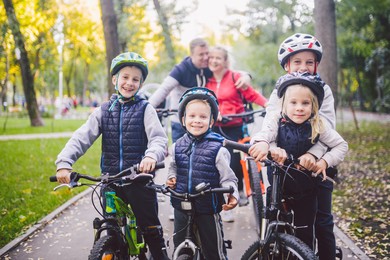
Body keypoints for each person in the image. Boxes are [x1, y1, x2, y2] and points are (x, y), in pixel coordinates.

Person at [55, 52, 170, 260]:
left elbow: (159, 139)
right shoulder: (103, 111)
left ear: (141, 84)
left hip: (139, 180)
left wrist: (151, 156)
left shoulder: (145, 109)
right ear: (115, 80)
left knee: (151, 229)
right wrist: (64, 162)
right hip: (110, 180)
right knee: (111, 229)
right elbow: (82, 137)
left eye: (135, 79)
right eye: (125, 77)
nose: (129, 83)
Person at [261, 33, 340, 259]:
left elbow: (326, 131)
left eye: (309, 62)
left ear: (316, 64)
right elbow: (270, 124)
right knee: (278, 216)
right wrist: (271, 146)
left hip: (316, 167)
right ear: (287, 65)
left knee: (322, 222)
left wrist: (313, 156)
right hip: (283, 166)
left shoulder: (322, 90)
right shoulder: (280, 89)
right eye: (297, 62)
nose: (303, 67)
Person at [249, 72, 348, 251]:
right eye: (293, 103)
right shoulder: (276, 120)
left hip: (306, 187)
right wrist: (263, 143)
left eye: (305, 103)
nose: (299, 108)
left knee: (305, 233)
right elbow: (264, 134)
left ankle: (304, 253)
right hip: (279, 185)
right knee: (275, 227)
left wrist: (324, 162)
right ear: (283, 105)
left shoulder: (318, 124)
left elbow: (341, 145)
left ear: (314, 105)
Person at [166, 87, 239, 260]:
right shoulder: (177, 146)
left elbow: (228, 177)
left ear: (212, 120)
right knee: (180, 249)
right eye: (192, 116)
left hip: (207, 208)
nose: (197, 121)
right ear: (183, 120)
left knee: (213, 252)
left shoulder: (218, 149)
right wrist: (171, 177)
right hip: (181, 207)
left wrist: (231, 193)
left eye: (203, 117)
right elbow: (173, 166)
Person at [148, 37, 251, 143]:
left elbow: (230, 72)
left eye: (207, 53)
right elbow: (163, 90)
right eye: (201, 55)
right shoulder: (180, 70)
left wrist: (246, 76)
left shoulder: (207, 68)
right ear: (192, 55)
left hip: (200, 122)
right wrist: (145, 109)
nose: (206, 57)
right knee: (180, 155)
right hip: (181, 123)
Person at [206, 46, 268, 215]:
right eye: (211, 57)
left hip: (234, 126)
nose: (214, 61)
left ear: (225, 61)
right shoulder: (206, 81)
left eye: (218, 58)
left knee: (233, 162)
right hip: (214, 128)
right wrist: (213, 112)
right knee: (217, 164)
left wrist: (270, 106)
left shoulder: (235, 77)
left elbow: (253, 96)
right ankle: (222, 200)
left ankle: (236, 191)